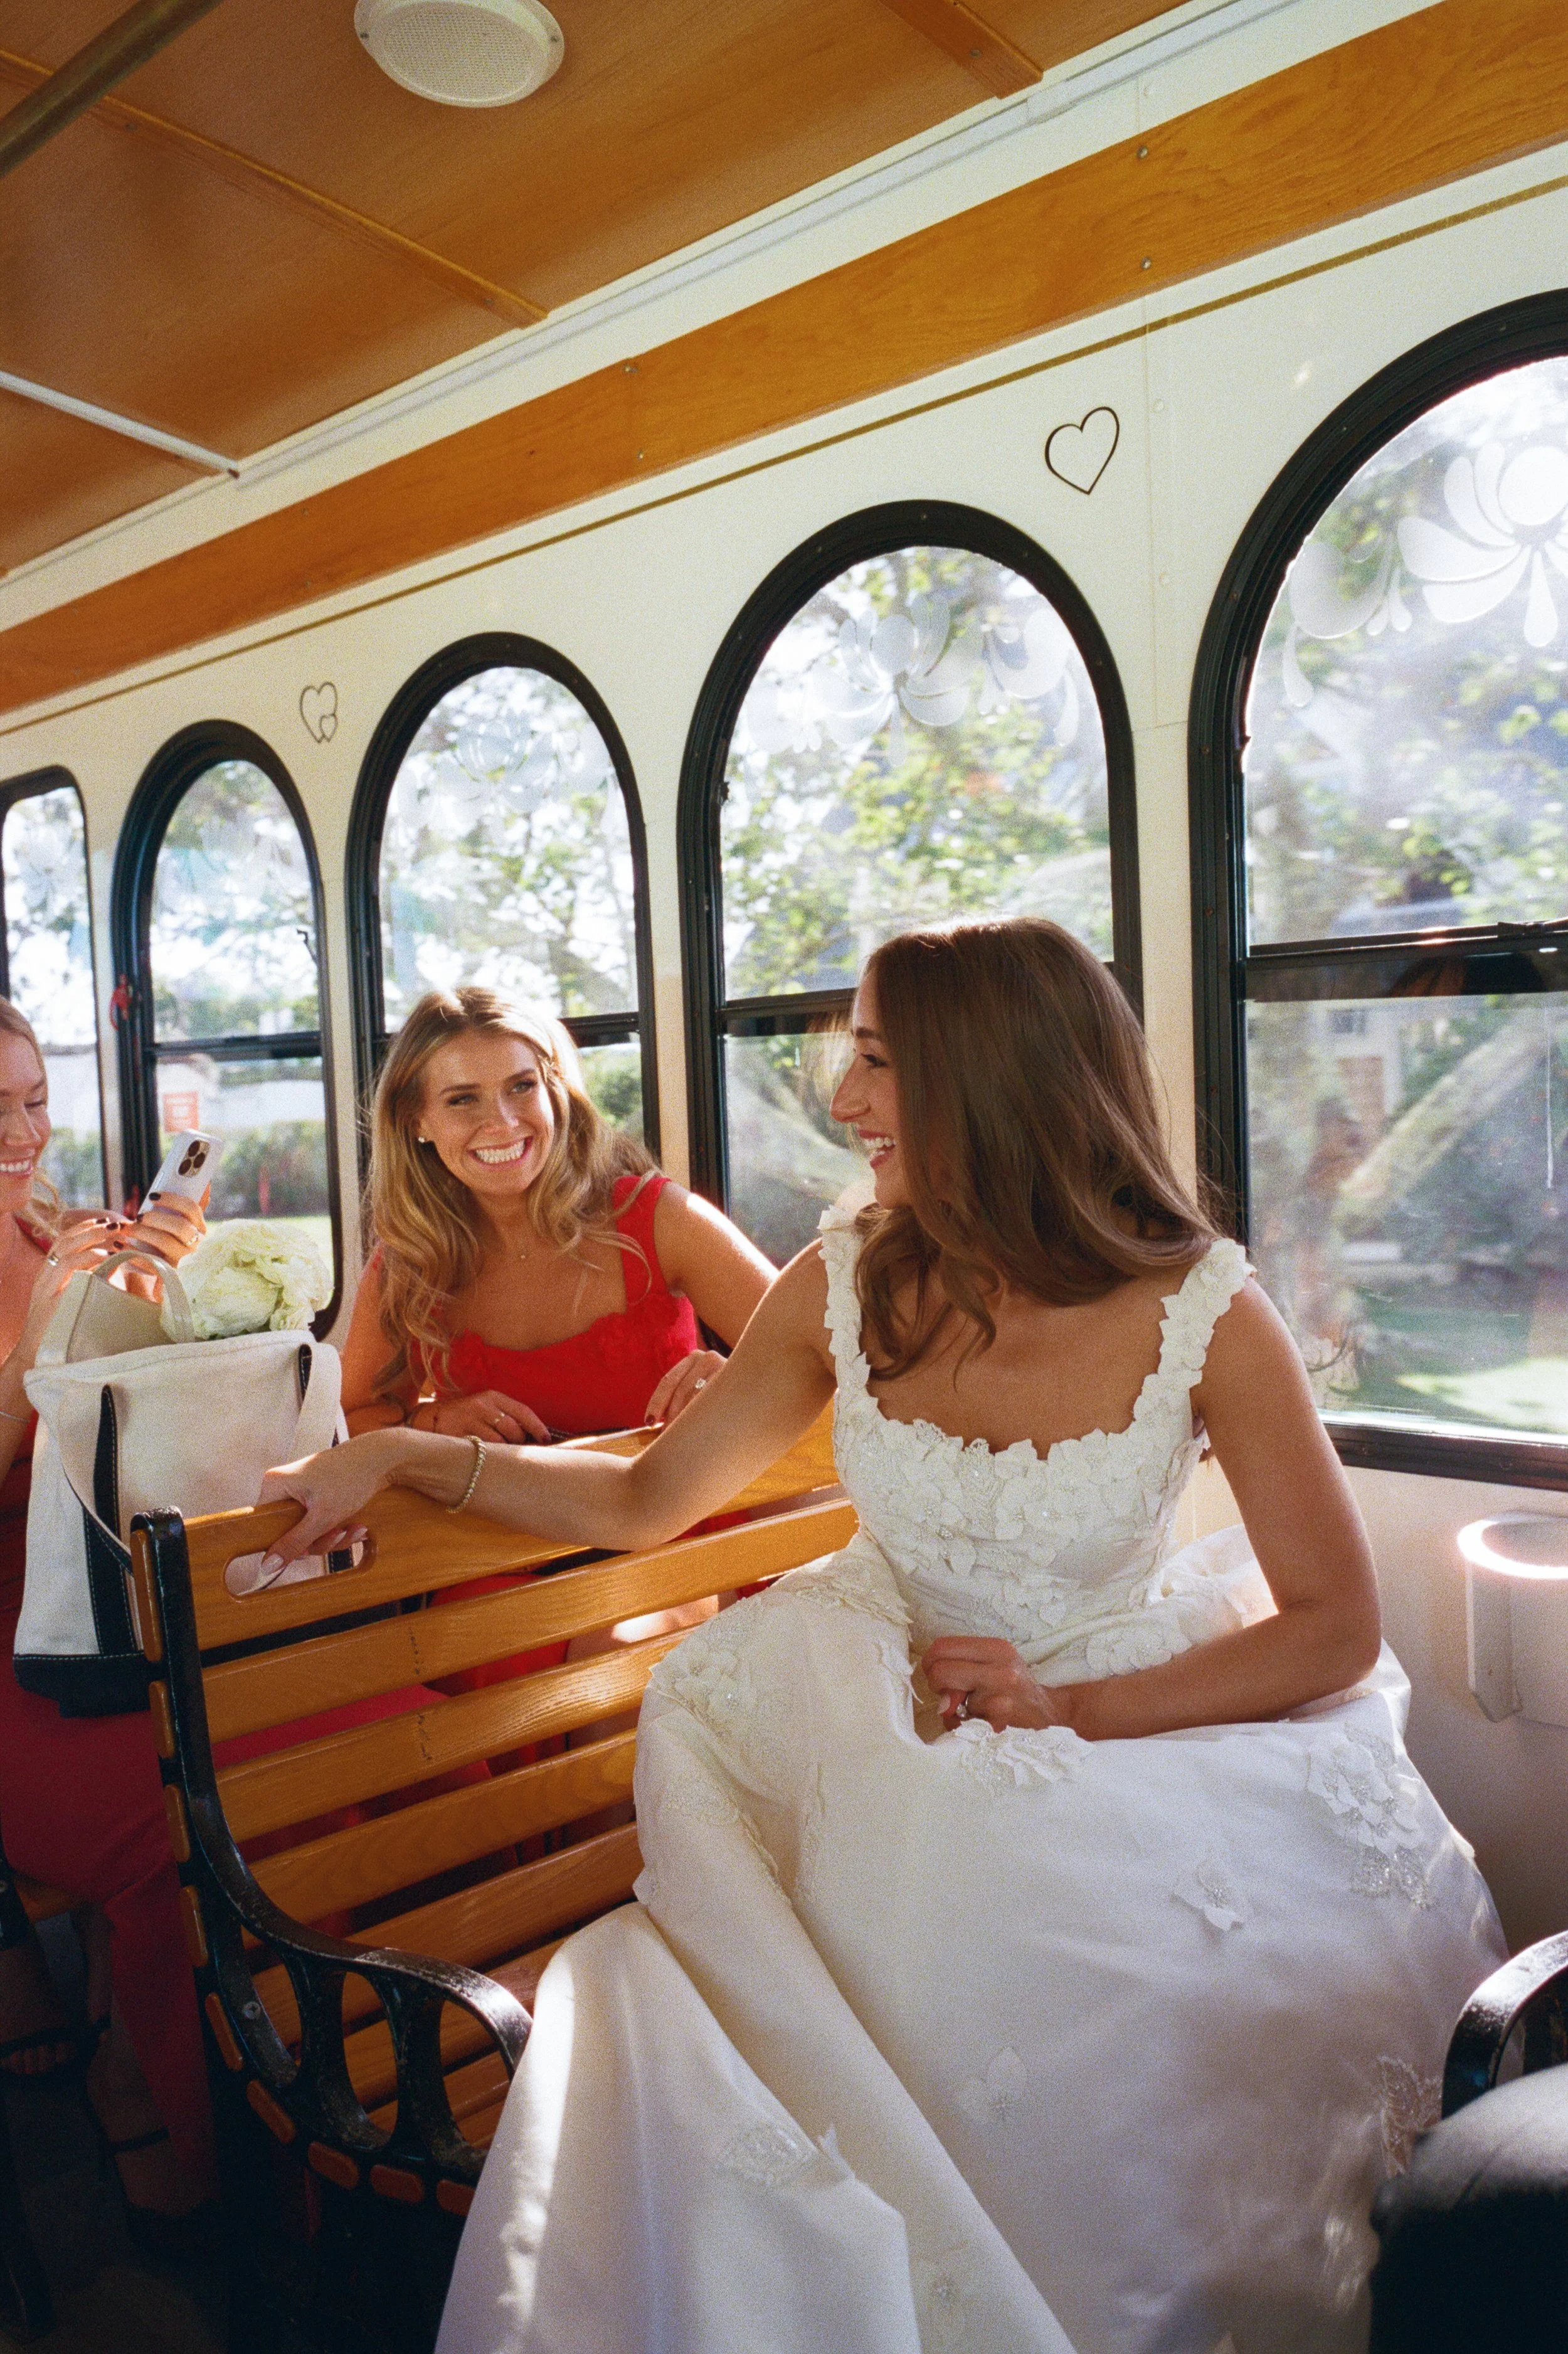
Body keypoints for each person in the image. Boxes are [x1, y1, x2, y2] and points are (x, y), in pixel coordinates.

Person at [258, 920, 1507, 2354]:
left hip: (1120, 1701)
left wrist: (1068, 1712)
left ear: (986, 1079)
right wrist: (410, 1454)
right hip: (872, 1696)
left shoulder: (1204, 1311)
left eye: (872, 1060)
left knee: (1128, 1972)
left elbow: (1333, 1627)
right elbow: (644, 1499)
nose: (842, 1102)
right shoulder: (843, 1276)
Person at [0, 999, 214, 2241]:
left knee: (316, 1750)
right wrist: (41, 1341)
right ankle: (205, 2130)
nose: (25, 1132)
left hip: (115, 1600)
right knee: (168, 1817)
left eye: (33, 1100)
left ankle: (318, 2098)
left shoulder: (61, 1235)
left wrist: (150, 1288)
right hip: (22, 1656)